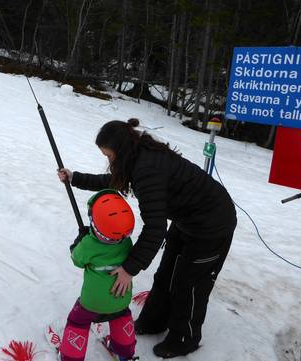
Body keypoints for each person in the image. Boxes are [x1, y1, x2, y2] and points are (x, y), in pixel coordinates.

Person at [58, 118, 237, 358]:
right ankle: (154, 321)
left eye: (109, 156)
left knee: (190, 283)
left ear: (120, 150)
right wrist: (75, 178)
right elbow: (114, 180)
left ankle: (184, 339)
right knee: (166, 273)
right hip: (187, 218)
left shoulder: (147, 168)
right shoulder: (134, 155)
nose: (109, 161)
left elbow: (154, 228)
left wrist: (129, 268)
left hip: (212, 224)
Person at [59, 189, 138, 361]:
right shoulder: (127, 242)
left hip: (92, 302)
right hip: (121, 297)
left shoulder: (88, 244)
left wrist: (78, 242)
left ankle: (71, 357)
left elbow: (77, 259)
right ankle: (125, 352)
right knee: (121, 316)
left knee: (78, 321)